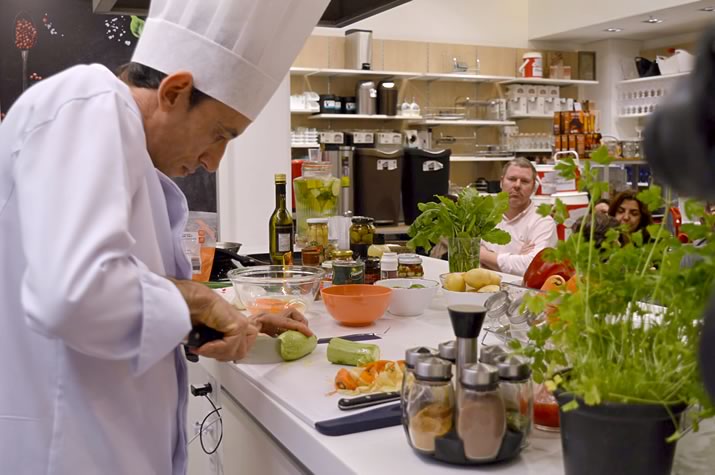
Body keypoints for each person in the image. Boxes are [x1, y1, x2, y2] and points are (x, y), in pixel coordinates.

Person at [0, 0, 329, 473]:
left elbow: (125, 301)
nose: (214, 161)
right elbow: (75, 292)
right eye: (220, 134)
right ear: (175, 91)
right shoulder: (87, 102)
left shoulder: (128, 149)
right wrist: (197, 300)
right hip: (66, 453)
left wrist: (231, 321)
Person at [480, 157, 558, 276]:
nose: (517, 185)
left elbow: (533, 267)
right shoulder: (483, 216)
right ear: (501, 182)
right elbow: (468, 257)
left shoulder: (543, 222)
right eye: (512, 179)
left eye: (525, 181)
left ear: (533, 188)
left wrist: (483, 255)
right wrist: (517, 258)